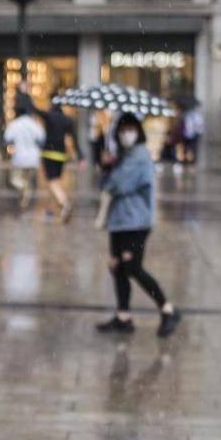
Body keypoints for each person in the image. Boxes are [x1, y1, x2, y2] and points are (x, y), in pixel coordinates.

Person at [95, 113, 181, 338]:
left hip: (136, 222)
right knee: (117, 267)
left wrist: (109, 170)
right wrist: (106, 166)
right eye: (122, 130)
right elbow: (106, 184)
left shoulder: (140, 155)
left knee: (133, 267)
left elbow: (118, 185)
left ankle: (167, 309)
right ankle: (123, 316)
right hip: (119, 221)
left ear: (138, 132)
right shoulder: (125, 155)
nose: (127, 134)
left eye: (131, 129)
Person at [38, 105, 82, 221]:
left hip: (49, 153)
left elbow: (36, 110)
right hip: (61, 155)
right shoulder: (66, 119)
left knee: (52, 182)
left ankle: (65, 203)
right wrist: (80, 156)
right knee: (54, 183)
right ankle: (50, 211)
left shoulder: (49, 116)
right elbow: (74, 138)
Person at [4, 109, 44, 211]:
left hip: (19, 157)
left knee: (15, 179)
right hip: (33, 158)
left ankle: (22, 193)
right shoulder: (34, 124)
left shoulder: (15, 124)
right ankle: (23, 203)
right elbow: (42, 138)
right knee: (27, 181)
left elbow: (7, 138)